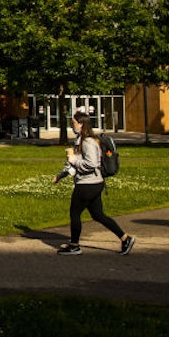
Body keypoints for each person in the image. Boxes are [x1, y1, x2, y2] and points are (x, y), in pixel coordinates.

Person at [52, 109, 135, 256]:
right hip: (94, 183)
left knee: (75, 213)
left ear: (81, 124)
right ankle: (125, 238)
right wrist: (61, 176)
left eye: (74, 123)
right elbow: (76, 165)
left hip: (87, 184)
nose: (73, 126)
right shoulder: (82, 140)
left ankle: (74, 245)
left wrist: (74, 160)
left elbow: (91, 163)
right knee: (98, 215)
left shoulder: (88, 141)